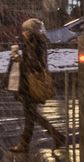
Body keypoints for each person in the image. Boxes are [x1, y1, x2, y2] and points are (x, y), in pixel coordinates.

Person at [8, 17, 66, 153]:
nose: (23, 33)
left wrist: (19, 59)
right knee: (31, 115)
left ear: (31, 31)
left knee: (31, 115)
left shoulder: (33, 43)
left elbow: (34, 64)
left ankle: (31, 141)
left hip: (30, 84)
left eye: (25, 31)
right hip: (30, 83)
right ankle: (54, 136)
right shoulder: (37, 42)